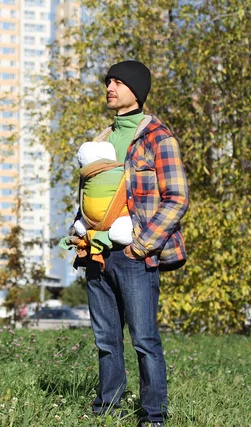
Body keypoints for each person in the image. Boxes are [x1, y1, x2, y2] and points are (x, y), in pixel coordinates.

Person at [74, 60, 189, 426]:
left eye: (118, 82)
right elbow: (93, 196)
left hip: (136, 255)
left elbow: (177, 199)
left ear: (135, 91)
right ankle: (108, 408)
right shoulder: (102, 139)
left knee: (144, 340)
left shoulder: (159, 138)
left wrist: (142, 245)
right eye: (108, 81)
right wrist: (80, 232)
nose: (109, 87)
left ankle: (153, 416)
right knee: (106, 340)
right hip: (97, 254)